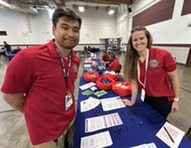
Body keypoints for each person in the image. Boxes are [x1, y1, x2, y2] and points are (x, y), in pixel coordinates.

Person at [1, 7, 82, 148]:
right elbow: (11, 97)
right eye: (65, 27)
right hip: (47, 134)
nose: (71, 33)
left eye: (75, 29)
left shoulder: (74, 59)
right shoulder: (28, 58)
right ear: (53, 29)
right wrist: (37, 116)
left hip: (70, 121)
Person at [122, 26, 180, 119]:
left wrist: (176, 100)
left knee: (157, 124)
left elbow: (174, 78)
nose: (138, 42)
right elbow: (134, 83)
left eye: (141, 38)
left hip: (162, 100)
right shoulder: (132, 59)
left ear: (148, 39)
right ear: (131, 43)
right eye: (135, 40)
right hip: (146, 97)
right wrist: (132, 102)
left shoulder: (162, 55)